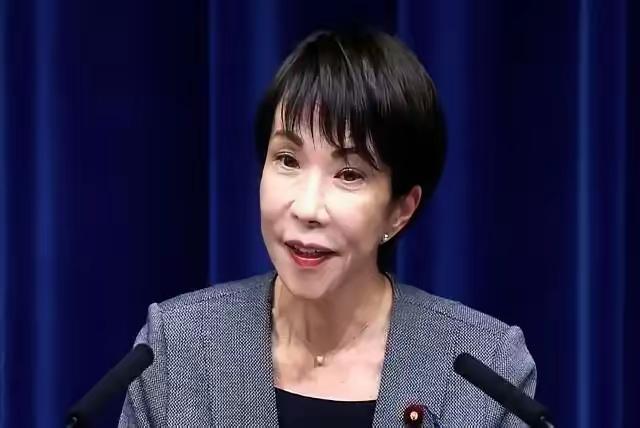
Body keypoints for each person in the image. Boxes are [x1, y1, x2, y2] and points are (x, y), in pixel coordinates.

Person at [118, 29, 536, 427]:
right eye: (288, 160)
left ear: (400, 210)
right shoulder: (176, 348)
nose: (307, 208)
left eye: (349, 174)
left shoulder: (485, 371)